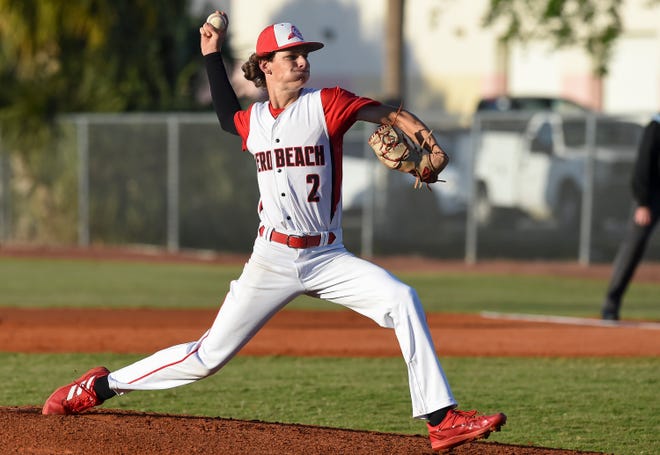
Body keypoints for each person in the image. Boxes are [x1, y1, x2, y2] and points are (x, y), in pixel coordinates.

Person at [42, 14, 506, 452]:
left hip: (329, 257)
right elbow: (227, 114)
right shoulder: (255, 122)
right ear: (265, 67)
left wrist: (426, 141)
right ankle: (100, 386)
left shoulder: (327, 103)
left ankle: (441, 421)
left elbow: (386, 114)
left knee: (402, 299)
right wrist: (211, 53)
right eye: (292, 55)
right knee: (205, 358)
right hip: (272, 259)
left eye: (305, 54)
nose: (303, 61)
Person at [601, 112, 660, 320]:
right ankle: (611, 303)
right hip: (652, 196)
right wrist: (643, 202)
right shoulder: (655, 125)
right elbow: (643, 165)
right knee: (633, 247)